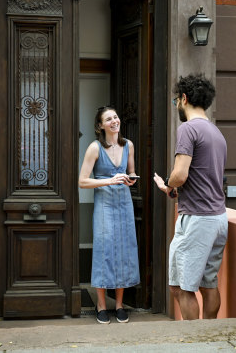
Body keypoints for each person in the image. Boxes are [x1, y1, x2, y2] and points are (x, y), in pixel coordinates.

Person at [153, 73, 228, 320]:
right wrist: (175, 188)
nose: (177, 104)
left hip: (196, 219)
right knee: (208, 283)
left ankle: (195, 342)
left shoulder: (188, 128)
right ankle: (209, 337)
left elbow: (180, 175)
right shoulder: (217, 133)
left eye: (176, 99)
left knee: (180, 287)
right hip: (218, 218)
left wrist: (168, 183)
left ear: (183, 98)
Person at [79, 106, 140, 324]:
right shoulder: (94, 148)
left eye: (115, 116)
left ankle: (120, 304)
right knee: (104, 251)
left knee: (124, 250)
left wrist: (131, 178)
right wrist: (110, 180)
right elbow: (82, 181)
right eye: (109, 119)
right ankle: (101, 304)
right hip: (104, 205)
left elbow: (131, 171)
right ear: (100, 126)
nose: (114, 121)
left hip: (124, 203)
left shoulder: (128, 145)